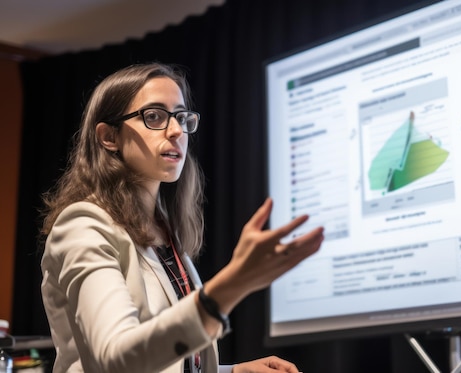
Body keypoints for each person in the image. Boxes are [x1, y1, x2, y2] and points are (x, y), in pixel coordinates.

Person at [39, 62, 324, 373]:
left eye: (181, 117)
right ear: (109, 137)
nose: (176, 131)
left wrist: (233, 372)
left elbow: (162, 362)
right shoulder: (83, 225)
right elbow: (115, 360)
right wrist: (234, 282)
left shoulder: (163, 231)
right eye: (154, 116)